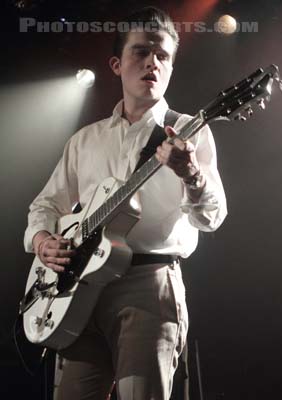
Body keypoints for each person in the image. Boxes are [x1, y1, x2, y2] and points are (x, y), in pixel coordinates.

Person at [23, 7, 227, 399]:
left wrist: (191, 174)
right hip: (81, 289)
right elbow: (43, 207)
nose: (152, 61)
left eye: (162, 56)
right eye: (140, 52)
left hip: (148, 285)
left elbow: (213, 217)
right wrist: (43, 242)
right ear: (116, 64)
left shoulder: (189, 131)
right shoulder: (85, 140)